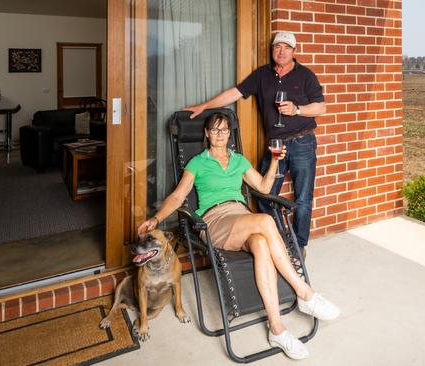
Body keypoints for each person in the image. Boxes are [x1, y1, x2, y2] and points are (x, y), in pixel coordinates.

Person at [138, 113, 339, 360]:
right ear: (207, 134)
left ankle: (277, 328)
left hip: (240, 216)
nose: (221, 134)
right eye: (215, 130)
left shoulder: (239, 160)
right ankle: (305, 292)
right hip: (214, 220)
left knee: (262, 242)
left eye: (225, 130)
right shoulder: (197, 163)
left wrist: (275, 161)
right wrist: (156, 219)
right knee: (265, 220)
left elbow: (263, 188)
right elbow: (179, 197)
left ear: (229, 134)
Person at [185, 31, 325, 257]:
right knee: (263, 195)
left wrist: (297, 109)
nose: (281, 51)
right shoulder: (262, 75)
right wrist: (205, 106)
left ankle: (299, 246)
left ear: (293, 51)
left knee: (303, 198)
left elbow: (320, 107)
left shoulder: (306, 76)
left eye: (286, 47)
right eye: (277, 46)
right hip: (276, 144)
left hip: (302, 143)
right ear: (272, 49)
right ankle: (277, 238)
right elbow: (235, 93)